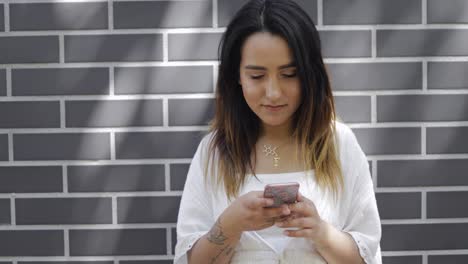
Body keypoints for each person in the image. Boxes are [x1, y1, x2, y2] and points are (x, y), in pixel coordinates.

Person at [174, 0, 381, 263]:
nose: (273, 93)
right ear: (236, 76)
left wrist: (320, 232)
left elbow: (367, 256)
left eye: (290, 74)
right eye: (257, 77)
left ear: (309, 74)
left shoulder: (339, 144)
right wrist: (229, 225)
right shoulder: (214, 151)